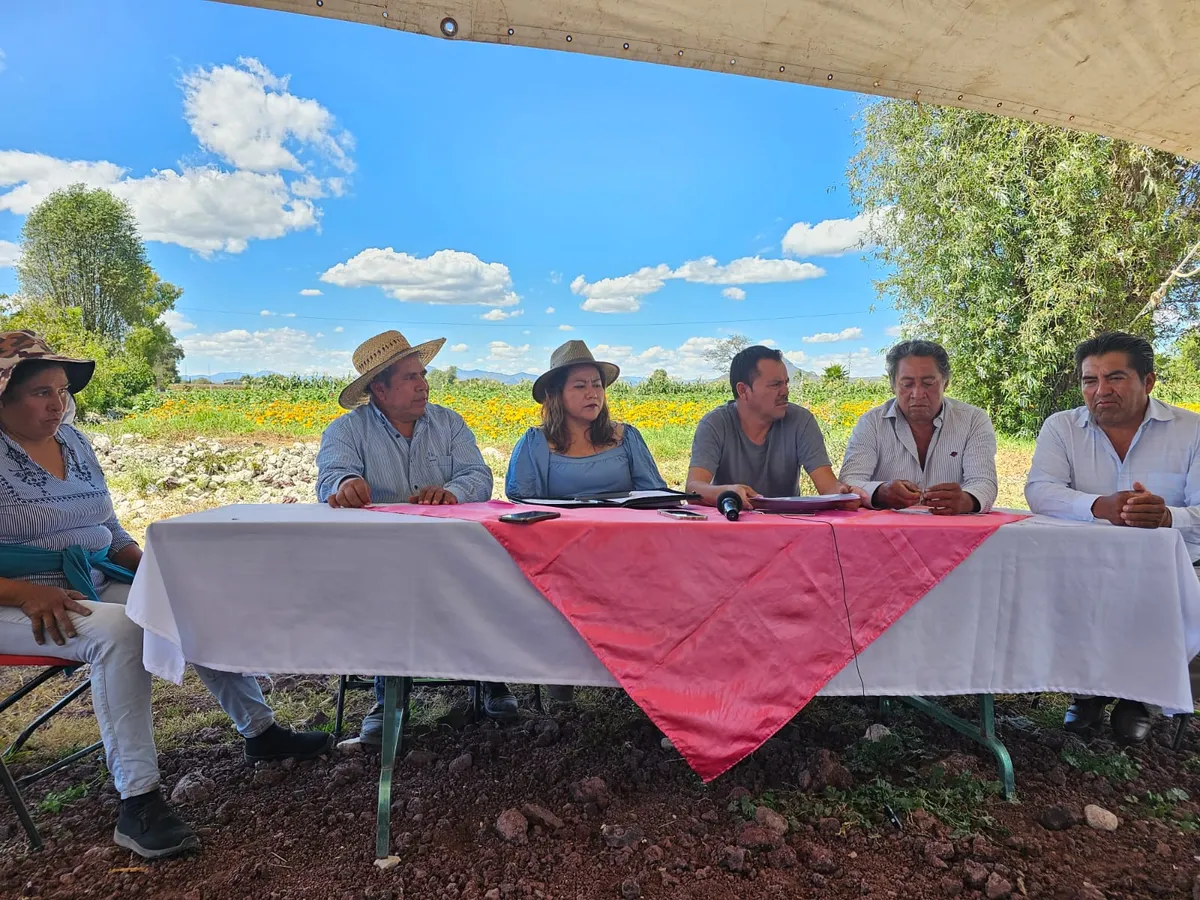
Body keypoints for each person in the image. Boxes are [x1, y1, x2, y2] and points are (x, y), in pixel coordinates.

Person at [0, 331, 331, 859]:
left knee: (188, 594)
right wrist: (19, 591)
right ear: (3, 395)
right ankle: (138, 801)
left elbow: (107, 526)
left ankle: (260, 731)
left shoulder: (75, 443)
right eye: (41, 392)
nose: (57, 403)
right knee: (123, 630)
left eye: (62, 390)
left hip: (87, 575)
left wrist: (158, 568)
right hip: (16, 597)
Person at [315, 329, 514, 739]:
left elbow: (477, 475)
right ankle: (388, 695)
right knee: (387, 589)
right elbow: (331, 477)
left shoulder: (448, 423)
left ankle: (492, 677)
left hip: (453, 552)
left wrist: (453, 493)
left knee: (493, 575)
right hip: (382, 560)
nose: (423, 384)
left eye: (422, 374)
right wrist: (346, 484)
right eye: (410, 377)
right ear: (380, 390)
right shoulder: (346, 430)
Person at [1026, 331, 1200, 743]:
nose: (1101, 391)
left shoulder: (1191, 430)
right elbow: (1040, 490)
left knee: (1161, 594)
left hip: (1173, 565)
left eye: (1116, 378)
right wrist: (1099, 506)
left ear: (1149, 381)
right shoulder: (1062, 428)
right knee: (1061, 583)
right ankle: (1088, 692)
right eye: (1090, 380)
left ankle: (1142, 697)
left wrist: (1166, 516)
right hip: (1086, 561)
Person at [685, 345, 865, 508]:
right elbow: (693, 489)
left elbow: (828, 486)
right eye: (775, 385)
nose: (785, 391)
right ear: (743, 391)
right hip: (731, 524)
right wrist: (728, 494)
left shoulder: (801, 421)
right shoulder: (715, 424)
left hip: (787, 528)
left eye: (786, 383)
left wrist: (843, 495)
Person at [839, 340, 998, 514]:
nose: (918, 394)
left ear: (945, 383)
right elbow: (849, 481)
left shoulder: (973, 420)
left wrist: (967, 500)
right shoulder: (872, 423)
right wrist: (879, 492)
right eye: (907, 384)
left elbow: (984, 482)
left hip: (954, 532)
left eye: (928, 383)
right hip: (886, 534)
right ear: (892, 385)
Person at [506, 340, 667, 500]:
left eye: (597, 385)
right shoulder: (534, 444)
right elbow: (523, 507)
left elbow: (656, 497)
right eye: (580, 386)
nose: (593, 394)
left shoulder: (627, 438)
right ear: (557, 394)